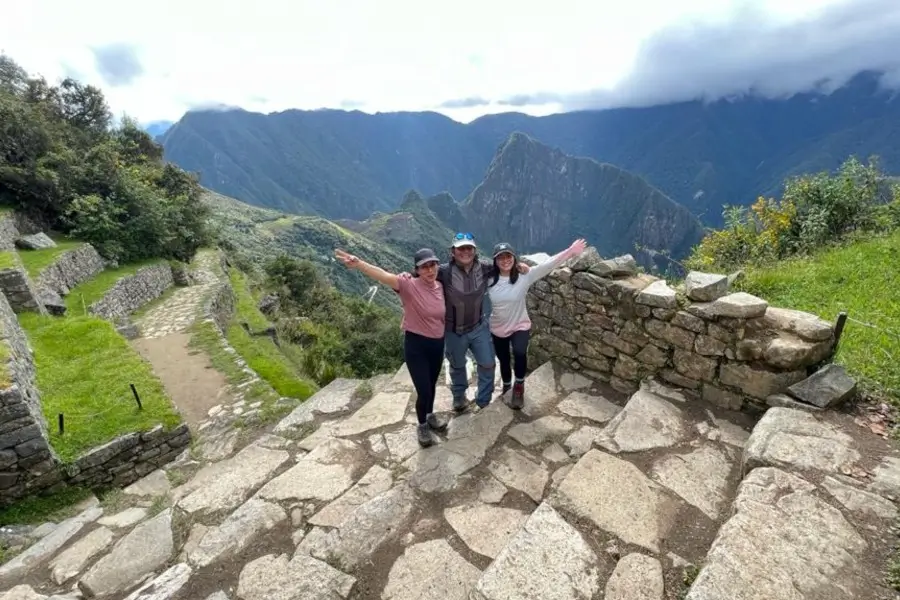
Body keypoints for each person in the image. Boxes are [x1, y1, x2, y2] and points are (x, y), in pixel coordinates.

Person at [402, 232, 530, 413]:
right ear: (453, 251)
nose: (465, 252)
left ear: (474, 250)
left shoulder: (485, 268)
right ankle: (459, 397)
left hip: (478, 326)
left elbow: (503, 265)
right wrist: (407, 276)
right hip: (453, 329)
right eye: (460, 248)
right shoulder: (444, 272)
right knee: (457, 365)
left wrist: (519, 265)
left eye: (469, 248)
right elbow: (421, 278)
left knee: (487, 363)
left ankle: (483, 399)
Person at [334, 247, 448, 447]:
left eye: (433, 265)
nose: (430, 270)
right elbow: (383, 275)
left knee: (431, 385)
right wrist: (359, 264)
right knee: (424, 390)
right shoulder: (408, 285)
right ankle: (422, 425)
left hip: (437, 344)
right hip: (417, 345)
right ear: (417, 270)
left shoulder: (440, 286)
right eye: (425, 267)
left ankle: (430, 415)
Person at [488, 238, 588, 409]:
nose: (505, 260)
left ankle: (518, 387)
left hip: (520, 324)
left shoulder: (524, 276)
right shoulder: (488, 280)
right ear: (495, 261)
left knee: (519, 353)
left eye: (508, 256)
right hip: (497, 328)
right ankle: (506, 385)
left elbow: (549, 265)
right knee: (503, 359)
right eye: (500, 258)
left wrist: (570, 250)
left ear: (514, 258)